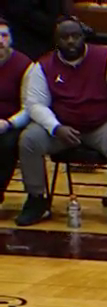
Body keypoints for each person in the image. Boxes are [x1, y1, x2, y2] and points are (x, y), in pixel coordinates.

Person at [18, 16, 107, 230]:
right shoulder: (43, 66)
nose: (71, 41)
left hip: (101, 125)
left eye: (76, 36)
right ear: (56, 42)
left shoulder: (106, 57)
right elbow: (35, 104)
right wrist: (55, 127)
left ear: (84, 37)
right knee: (29, 139)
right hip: (63, 128)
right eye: (65, 38)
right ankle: (37, 200)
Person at [0, 18, 32, 202]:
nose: (0, 41)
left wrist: (9, 123)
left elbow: (29, 107)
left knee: (6, 144)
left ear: (11, 39)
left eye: (4, 36)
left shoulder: (25, 65)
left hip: (11, 123)